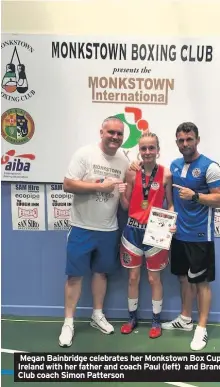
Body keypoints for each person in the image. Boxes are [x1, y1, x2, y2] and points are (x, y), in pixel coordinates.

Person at [58, 117, 129, 347]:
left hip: (109, 228)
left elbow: (128, 188)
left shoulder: (124, 160)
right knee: (75, 275)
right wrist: (100, 186)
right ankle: (68, 322)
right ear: (101, 132)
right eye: (111, 132)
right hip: (81, 227)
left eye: (119, 134)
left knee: (101, 273)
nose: (115, 137)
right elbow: (68, 184)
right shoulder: (84, 154)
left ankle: (97, 315)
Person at [161, 122, 220, 351]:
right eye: (181, 140)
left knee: (201, 283)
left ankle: (201, 329)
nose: (185, 144)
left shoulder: (210, 167)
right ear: (177, 142)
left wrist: (196, 196)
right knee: (183, 278)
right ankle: (185, 319)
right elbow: (168, 186)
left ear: (197, 140)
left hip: (200, 235)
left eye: (189, 139)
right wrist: (171, 206)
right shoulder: (175, 164)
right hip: (179, 234)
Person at [119, 132, 174, 339]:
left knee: (154, 279)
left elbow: (170, 203)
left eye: (151, 148)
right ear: (139, 151)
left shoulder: (166, 174)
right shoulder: (131, 173)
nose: (148, 152)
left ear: (158, 150)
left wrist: (172, 222)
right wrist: (120, 192)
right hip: (132, 230)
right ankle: (132, 318)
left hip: (156, 231)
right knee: (133, 278)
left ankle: (156, 321)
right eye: (143, 148)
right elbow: (125, 205)